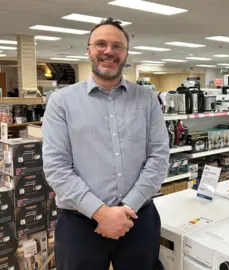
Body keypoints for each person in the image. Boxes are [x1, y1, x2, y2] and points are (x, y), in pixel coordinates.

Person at [42, 17, 170, 270]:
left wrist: (125, 210)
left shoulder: (147, 99)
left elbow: (159, 158)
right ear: (88, 49)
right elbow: (56, 168)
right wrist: (100, 212)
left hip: (138, 219)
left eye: (117, 46)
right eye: (101, 44)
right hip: (80, 223)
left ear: (126, 53)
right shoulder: (61, 101)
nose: (109, 51)